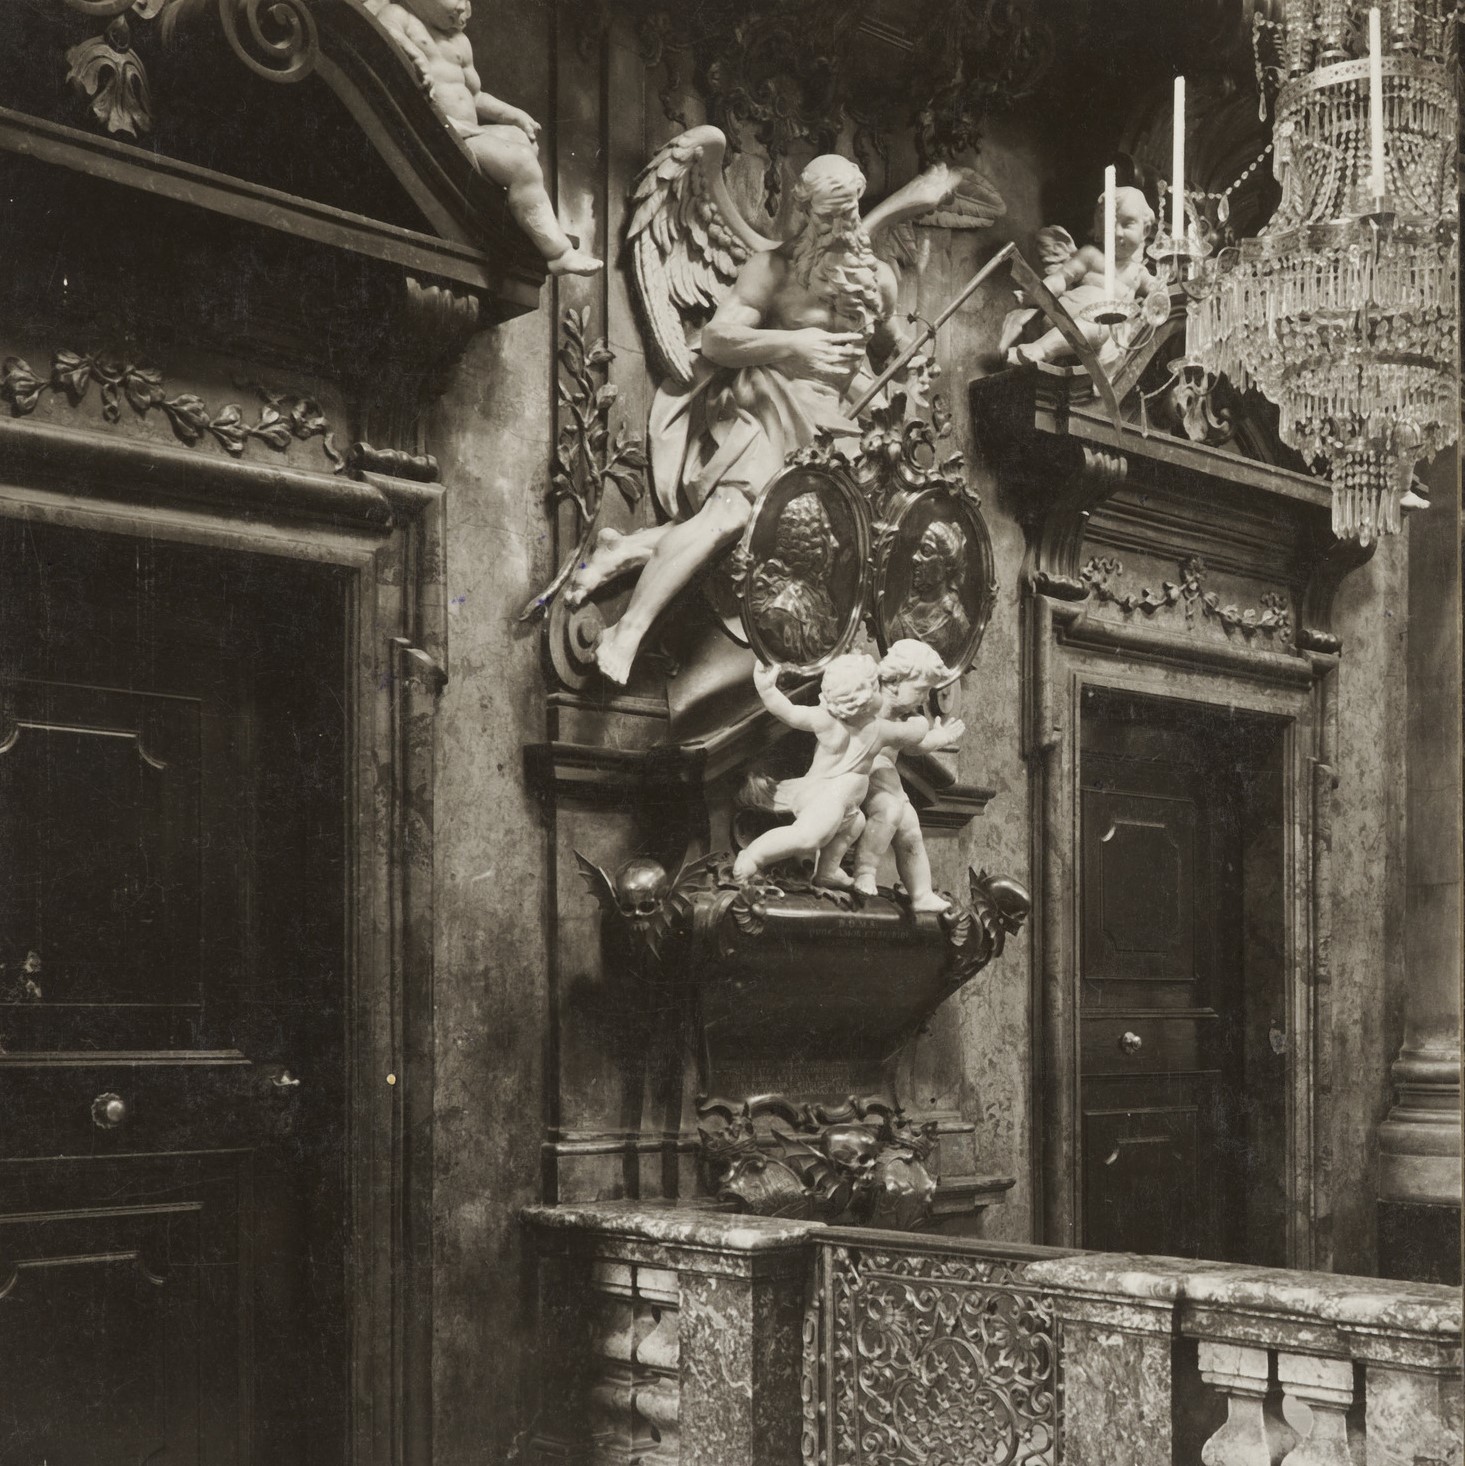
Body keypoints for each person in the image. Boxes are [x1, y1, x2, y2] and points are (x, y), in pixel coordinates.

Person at [568, 154, 909, 683]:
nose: (842, 230)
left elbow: (887, 354)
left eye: (850, 215)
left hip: (840, 428)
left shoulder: (877, 279)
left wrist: (907, 375)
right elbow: (719, 339)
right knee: (730, 516)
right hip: (773, 402)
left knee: (777, 538)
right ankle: (627, 630)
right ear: (805, 211)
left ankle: (630, 548)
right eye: (829, 217)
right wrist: (793, 343)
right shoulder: (773, 269)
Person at [372, 0, 602, 276]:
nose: (463, 7)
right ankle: (559, 253)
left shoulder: (459, 42)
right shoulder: (400, 16)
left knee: (522, 139)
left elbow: (476, 96)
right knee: (520, 162)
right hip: (437, 131)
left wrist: (513, 114)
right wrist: (415, 56)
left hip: (469, 132)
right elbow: (382, 30)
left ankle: (512, 205)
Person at [732, 656, 961, 887]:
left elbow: (788, 711)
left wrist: (766, 688)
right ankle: (753, 856)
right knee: (808, 837)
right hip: (827, 799)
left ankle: (827, 872)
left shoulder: (830, 722)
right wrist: (925, 725)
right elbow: (914, 733)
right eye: (875, 687)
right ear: (865, 699)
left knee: (856, 824)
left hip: (844, 805)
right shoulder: (876, 730)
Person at [851, 640, 964, 911]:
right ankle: (865, 872)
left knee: (911, 830)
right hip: (864, 780)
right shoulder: (867, 709)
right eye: (923, 690)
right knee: (888, 812)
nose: (926, 699)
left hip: (889, 783)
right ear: (896, 681)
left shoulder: (903, 721)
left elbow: (913, 747)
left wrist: (940, 737)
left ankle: (921, 893)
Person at [1004, 184, 1156, 368]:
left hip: (1100, 337)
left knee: (1104, 326)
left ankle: (1043, 351)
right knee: (1101, 323)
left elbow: (1159, 293)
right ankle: (1040, 349)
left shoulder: (1138, 273)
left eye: (1127, 224)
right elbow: (1061, 278)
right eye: (1109, 226)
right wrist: (1041, 291)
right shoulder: (1091, 256)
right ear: (1099, 232)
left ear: (1145, 231)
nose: (1117, 233)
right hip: (1065, 317)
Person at [746, 493, 840, 665]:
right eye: (827, 533)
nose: (835, 543)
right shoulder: (781, 613)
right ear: (808, 542)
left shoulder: (821, 596)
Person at [888, 521, 972, 668]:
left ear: (947, 565)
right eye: (917, 550)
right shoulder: (905, 611)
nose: (915, 558)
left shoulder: (957, 622)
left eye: (926, 552)